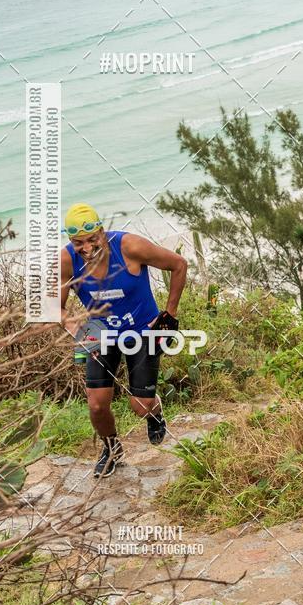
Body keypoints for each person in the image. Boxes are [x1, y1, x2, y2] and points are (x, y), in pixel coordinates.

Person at [60, 203, 187, 478]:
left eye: (92, 239)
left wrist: (170, 315)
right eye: (78, 242)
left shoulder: (129, 246)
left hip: (142, 331)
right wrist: (78, 331)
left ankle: (154, 413)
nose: (87, 247)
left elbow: (179, 265)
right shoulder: (67, 261)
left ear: (102, 233)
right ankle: (111, 449)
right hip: (101, 334)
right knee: (96, 404)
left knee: (140, 405)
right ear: (71, 241)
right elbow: (55, 307)